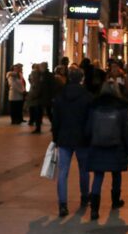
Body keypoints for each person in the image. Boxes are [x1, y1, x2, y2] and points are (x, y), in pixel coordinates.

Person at [52, 67, 93, 217]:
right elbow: (90, 118)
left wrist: (55, 137)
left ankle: (62, 204)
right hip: (82, 138)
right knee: (84, 170)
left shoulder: (60, 95)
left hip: (64, 137)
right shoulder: (87, 96)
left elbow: (55, 119)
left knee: (63, 171)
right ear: (82, 79)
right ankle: (84, 197)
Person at [86, 80, 128, 220]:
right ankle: (115, 201)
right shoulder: (122, 107)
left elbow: (88, 129)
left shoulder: (94, 106)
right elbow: (125, 130)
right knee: (116, 175)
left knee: (98, 176)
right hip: (116, 146)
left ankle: (94, 209)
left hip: (97, 145)